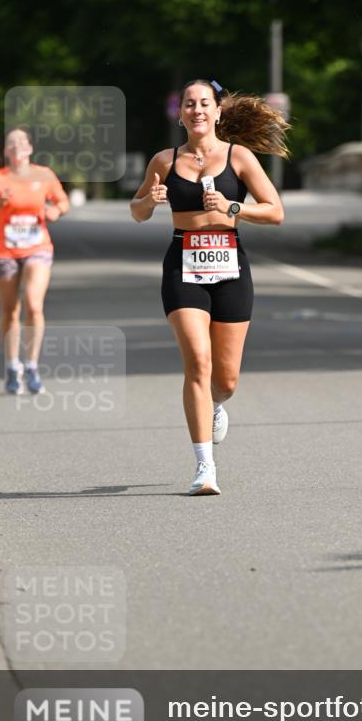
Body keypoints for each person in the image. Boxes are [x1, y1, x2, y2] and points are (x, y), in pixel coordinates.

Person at [130, 79, 288, 496]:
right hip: (183, 267)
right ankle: (204, 467)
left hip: (231, 266)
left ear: (218, 111)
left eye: (204, 103)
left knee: (226, 379)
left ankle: (215, 404)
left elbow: (275, 212)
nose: (196, 110)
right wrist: (151, 200)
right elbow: (137, 211)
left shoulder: (239, 157)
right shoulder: (164, 160)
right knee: (197, 363)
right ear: (179, 113)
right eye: (189, 104)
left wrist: (233, 207)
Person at [0, 128, 70, 394]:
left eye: (21, 141)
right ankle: (11, 365)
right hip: (4, 252)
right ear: (5, 150)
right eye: (11, 142)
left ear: (30, 148)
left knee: (33, 304)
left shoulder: (44, 175)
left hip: (37, 248)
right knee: (10, 310)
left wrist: (56, 210)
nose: (16, 145)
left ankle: (31, 365)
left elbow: (63, 202)